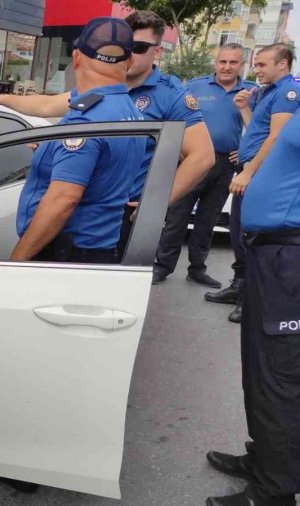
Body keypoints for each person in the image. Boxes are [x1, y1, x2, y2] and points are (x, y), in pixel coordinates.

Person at [0, 10, 214, 257]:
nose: (131, 54)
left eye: (138, 47)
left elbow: (64, 198)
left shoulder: (163, 95)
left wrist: (155, 204)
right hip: (103, 227)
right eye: (127, 47)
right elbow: (48, 105)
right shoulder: (116, 100)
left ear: (76, 59)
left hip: (85, 235)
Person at [204, 111, 300, 506]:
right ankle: (267, 459)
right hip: (273, 253)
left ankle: (275, 490)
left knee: (281, 375)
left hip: (289, 258)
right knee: (261, 368)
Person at [9, 16, 143, 263]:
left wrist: (16, 261)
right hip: (100, 248)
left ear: (77, 57)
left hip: (65, 255)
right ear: (130, 61)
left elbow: (63, 199)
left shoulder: (85, 120)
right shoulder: (129, 110)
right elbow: (102, 166)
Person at [152, 43, 255, 287]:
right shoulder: (196, 86)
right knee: (177, 217)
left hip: (225, 164)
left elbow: (258, 128)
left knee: (207, 220)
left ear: (242, 65)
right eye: (222, 61)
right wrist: (178, 149)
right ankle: (162, 266)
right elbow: (177, 118)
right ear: (215, 63)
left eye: (233, 62)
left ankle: (197, 269)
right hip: (193, 161)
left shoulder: (251, 92)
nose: (227, 67)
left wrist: (244, 148)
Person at [213, 43, 300, 323]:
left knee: (250, 235)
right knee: (239, 232)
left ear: (282, 64)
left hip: (259, 173)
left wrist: (249, 172)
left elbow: (276, 138)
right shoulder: (266, 92)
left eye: (262, 64)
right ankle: (240, 287)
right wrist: (243, 109)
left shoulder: (288, 92)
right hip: (249, 168)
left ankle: (250, 299)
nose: (256, 70)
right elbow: (258, 131)